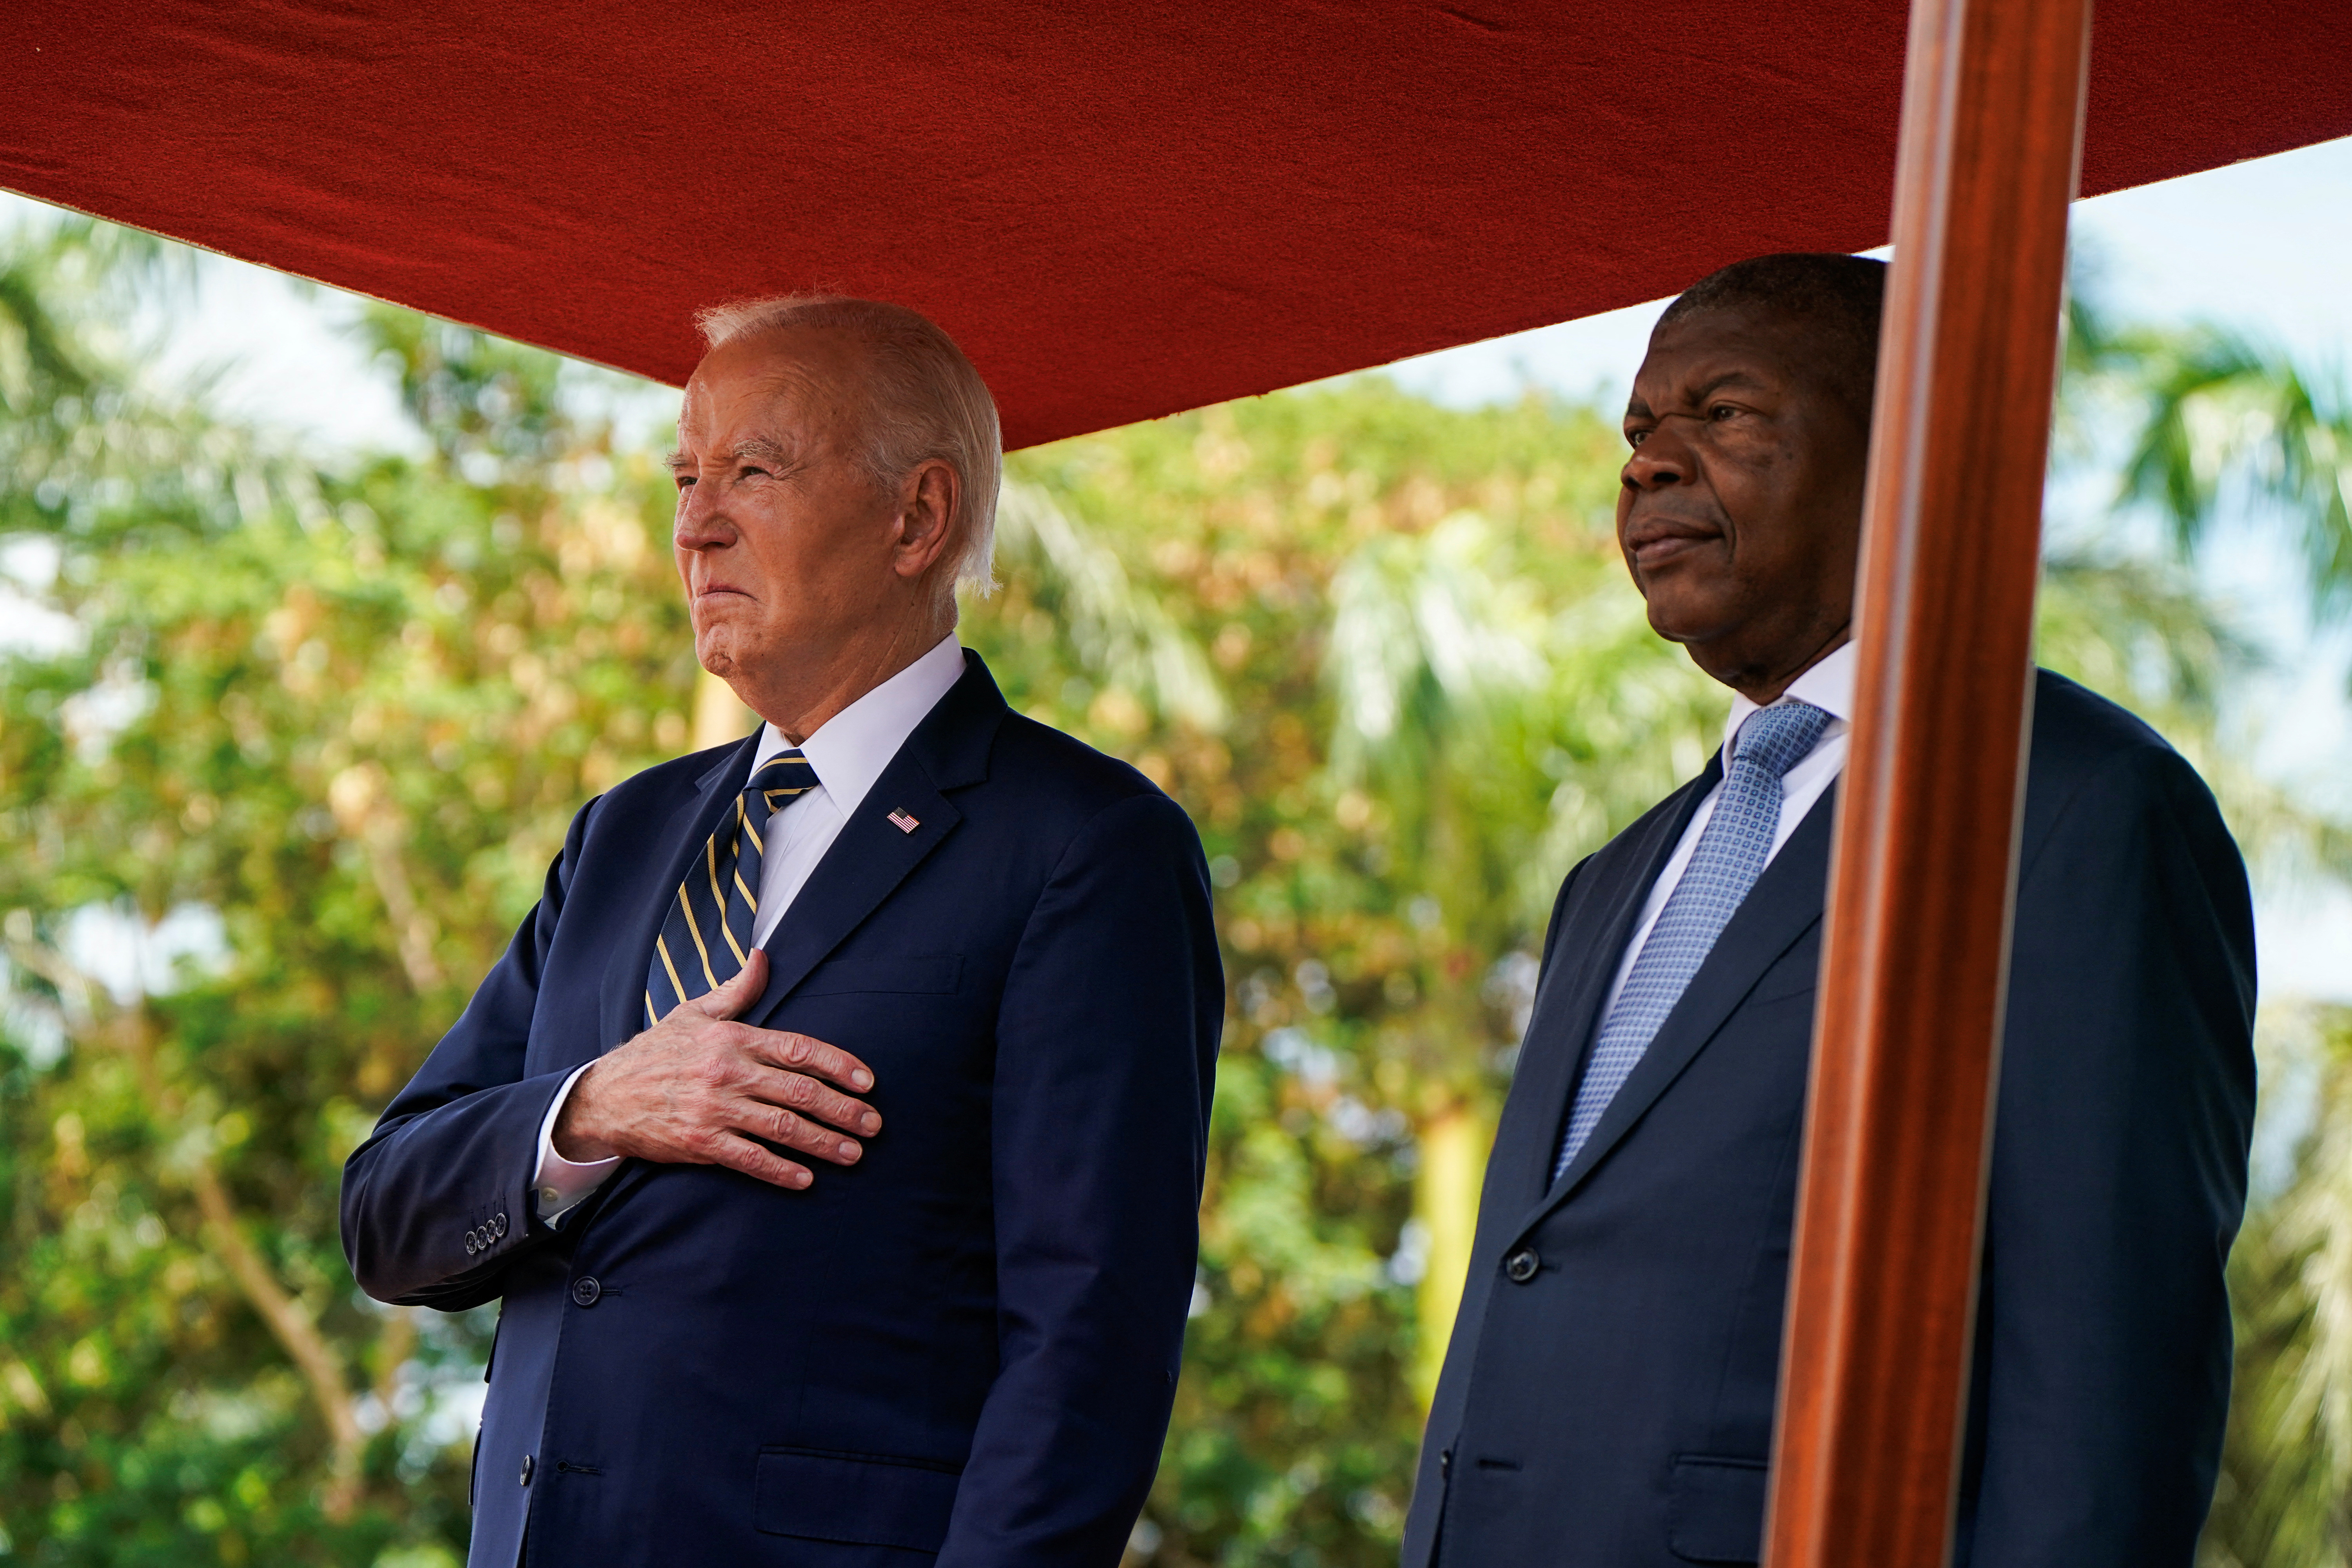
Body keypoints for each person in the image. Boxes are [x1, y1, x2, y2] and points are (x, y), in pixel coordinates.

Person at [341, 296, 1223, 1568]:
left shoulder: (1086, 846)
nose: (696, 525)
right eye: (686, 477)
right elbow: (388, 1214)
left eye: (753, 471)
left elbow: (1090, 1342)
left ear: (918, 517)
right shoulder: (623, 835)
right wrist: (591, 1108)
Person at [1401, 254, 2255, 1566]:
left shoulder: (2077, 809)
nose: (1645, 467)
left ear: (1910, 450)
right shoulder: (1614, 881)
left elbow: (2106, 1376)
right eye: (1638, 431)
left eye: (1724, 413)